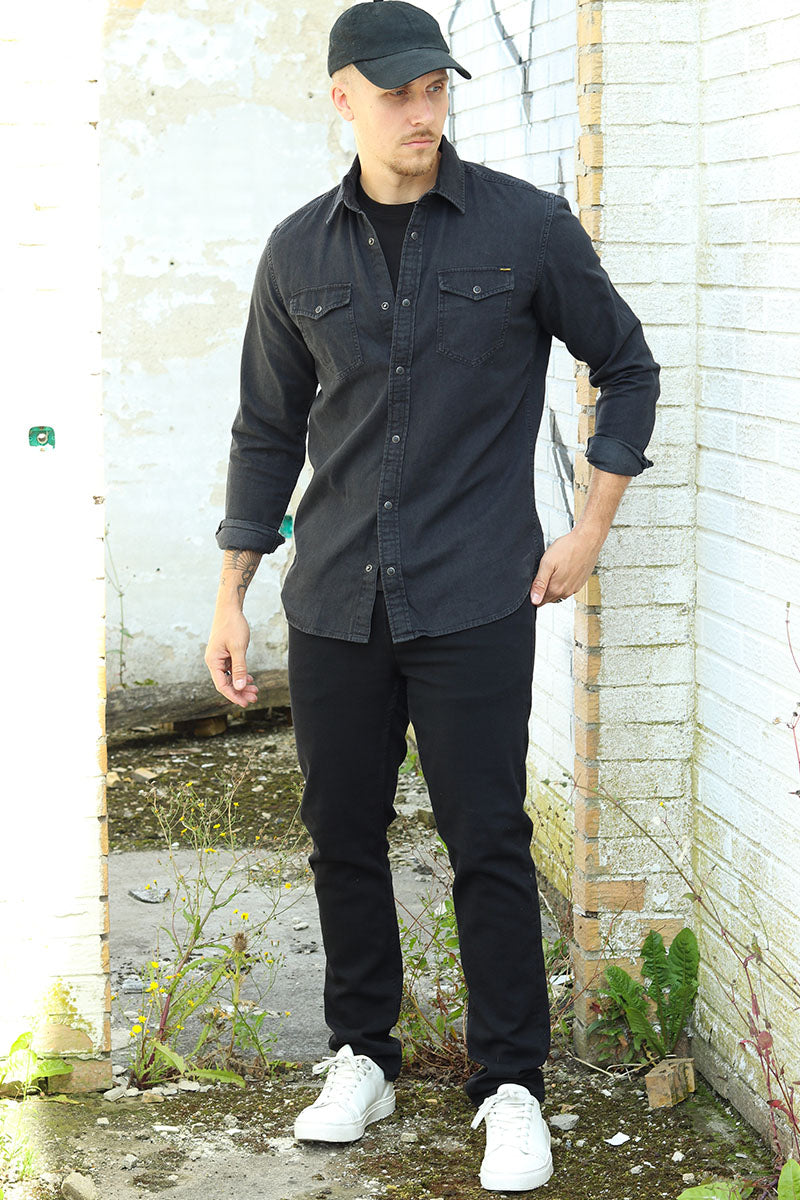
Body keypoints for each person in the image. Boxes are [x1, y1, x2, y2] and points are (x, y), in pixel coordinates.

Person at [204, 1, 659, 1191]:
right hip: (332, 601)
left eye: (435, 89)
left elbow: (625, 364)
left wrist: (589, 529)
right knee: (341, 838)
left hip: (472, 596)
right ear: (342, 98)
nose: (421, 111)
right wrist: (232, 594)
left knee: (487, 841)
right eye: (396, 91)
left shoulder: (523, 227)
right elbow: (265, 432)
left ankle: (511, 1084)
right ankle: (362, 1054)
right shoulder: (296, 252)